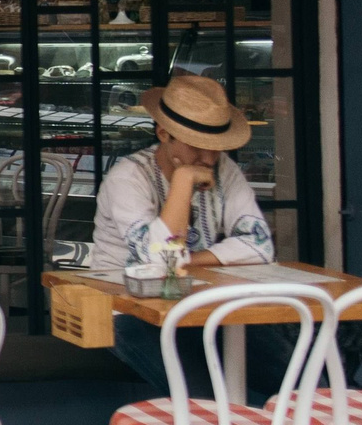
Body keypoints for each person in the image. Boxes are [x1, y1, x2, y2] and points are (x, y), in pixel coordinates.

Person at [90, 72, 285, 401]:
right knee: (202, 402)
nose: (209, 159)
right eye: (198, 147)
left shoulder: (224, 169)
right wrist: (182, 182)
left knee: (305, 383)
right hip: (128, 310)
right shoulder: (127, 177)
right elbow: (159, 261)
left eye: (216, 148)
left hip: (201, 304)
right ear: (163, 133)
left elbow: (260, 244)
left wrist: (188, 260)